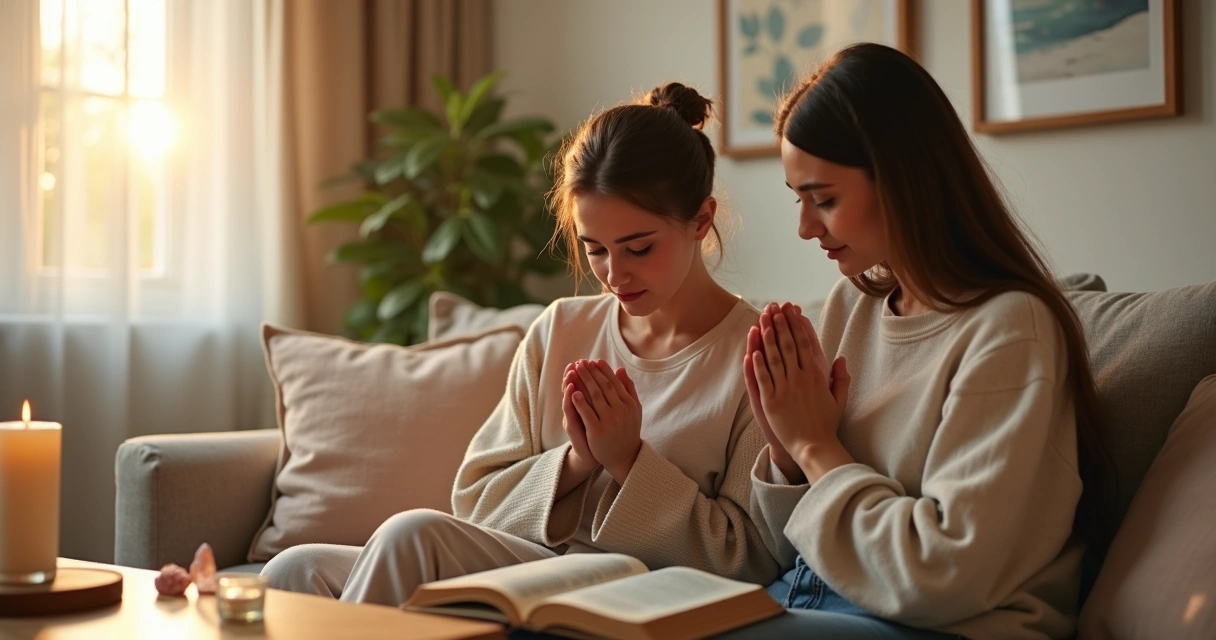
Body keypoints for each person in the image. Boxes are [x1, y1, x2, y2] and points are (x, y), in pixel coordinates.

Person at [262, 83, 790, 606]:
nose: (613, 274)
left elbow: (746, 557)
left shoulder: (758, 352)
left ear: (701, 220)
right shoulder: (560, 328)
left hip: (640, 586)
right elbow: (474, 501)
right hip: (529, 565)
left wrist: (629, 459)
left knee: (411, 536)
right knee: (296, 568)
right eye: (596, 249)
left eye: (638, 248)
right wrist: (579, 461)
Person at [731, 43, 1113, 640]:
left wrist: (814, 446)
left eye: (824, 199)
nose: (805, 228)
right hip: (810, 599)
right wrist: (787, 455)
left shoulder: (1010, 330)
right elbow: (788, 552)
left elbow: (940, 574)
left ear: (904, 179)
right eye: (797, 198)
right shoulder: (849, 308)